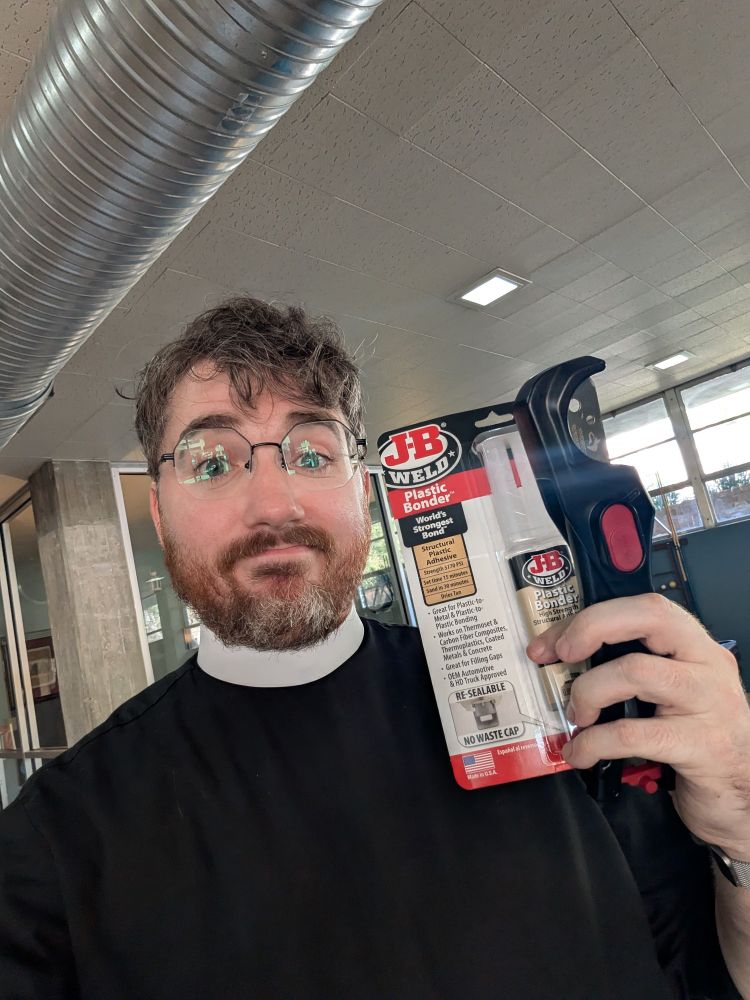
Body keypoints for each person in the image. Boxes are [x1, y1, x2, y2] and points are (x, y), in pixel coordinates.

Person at [0, 296, 748, 999]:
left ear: (362, 489)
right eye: (213, 461)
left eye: (313, 452)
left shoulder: (562, 707)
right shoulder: (60, 838)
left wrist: (739, 824)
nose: (274, 504)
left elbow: (709, 973)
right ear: (160, 515)